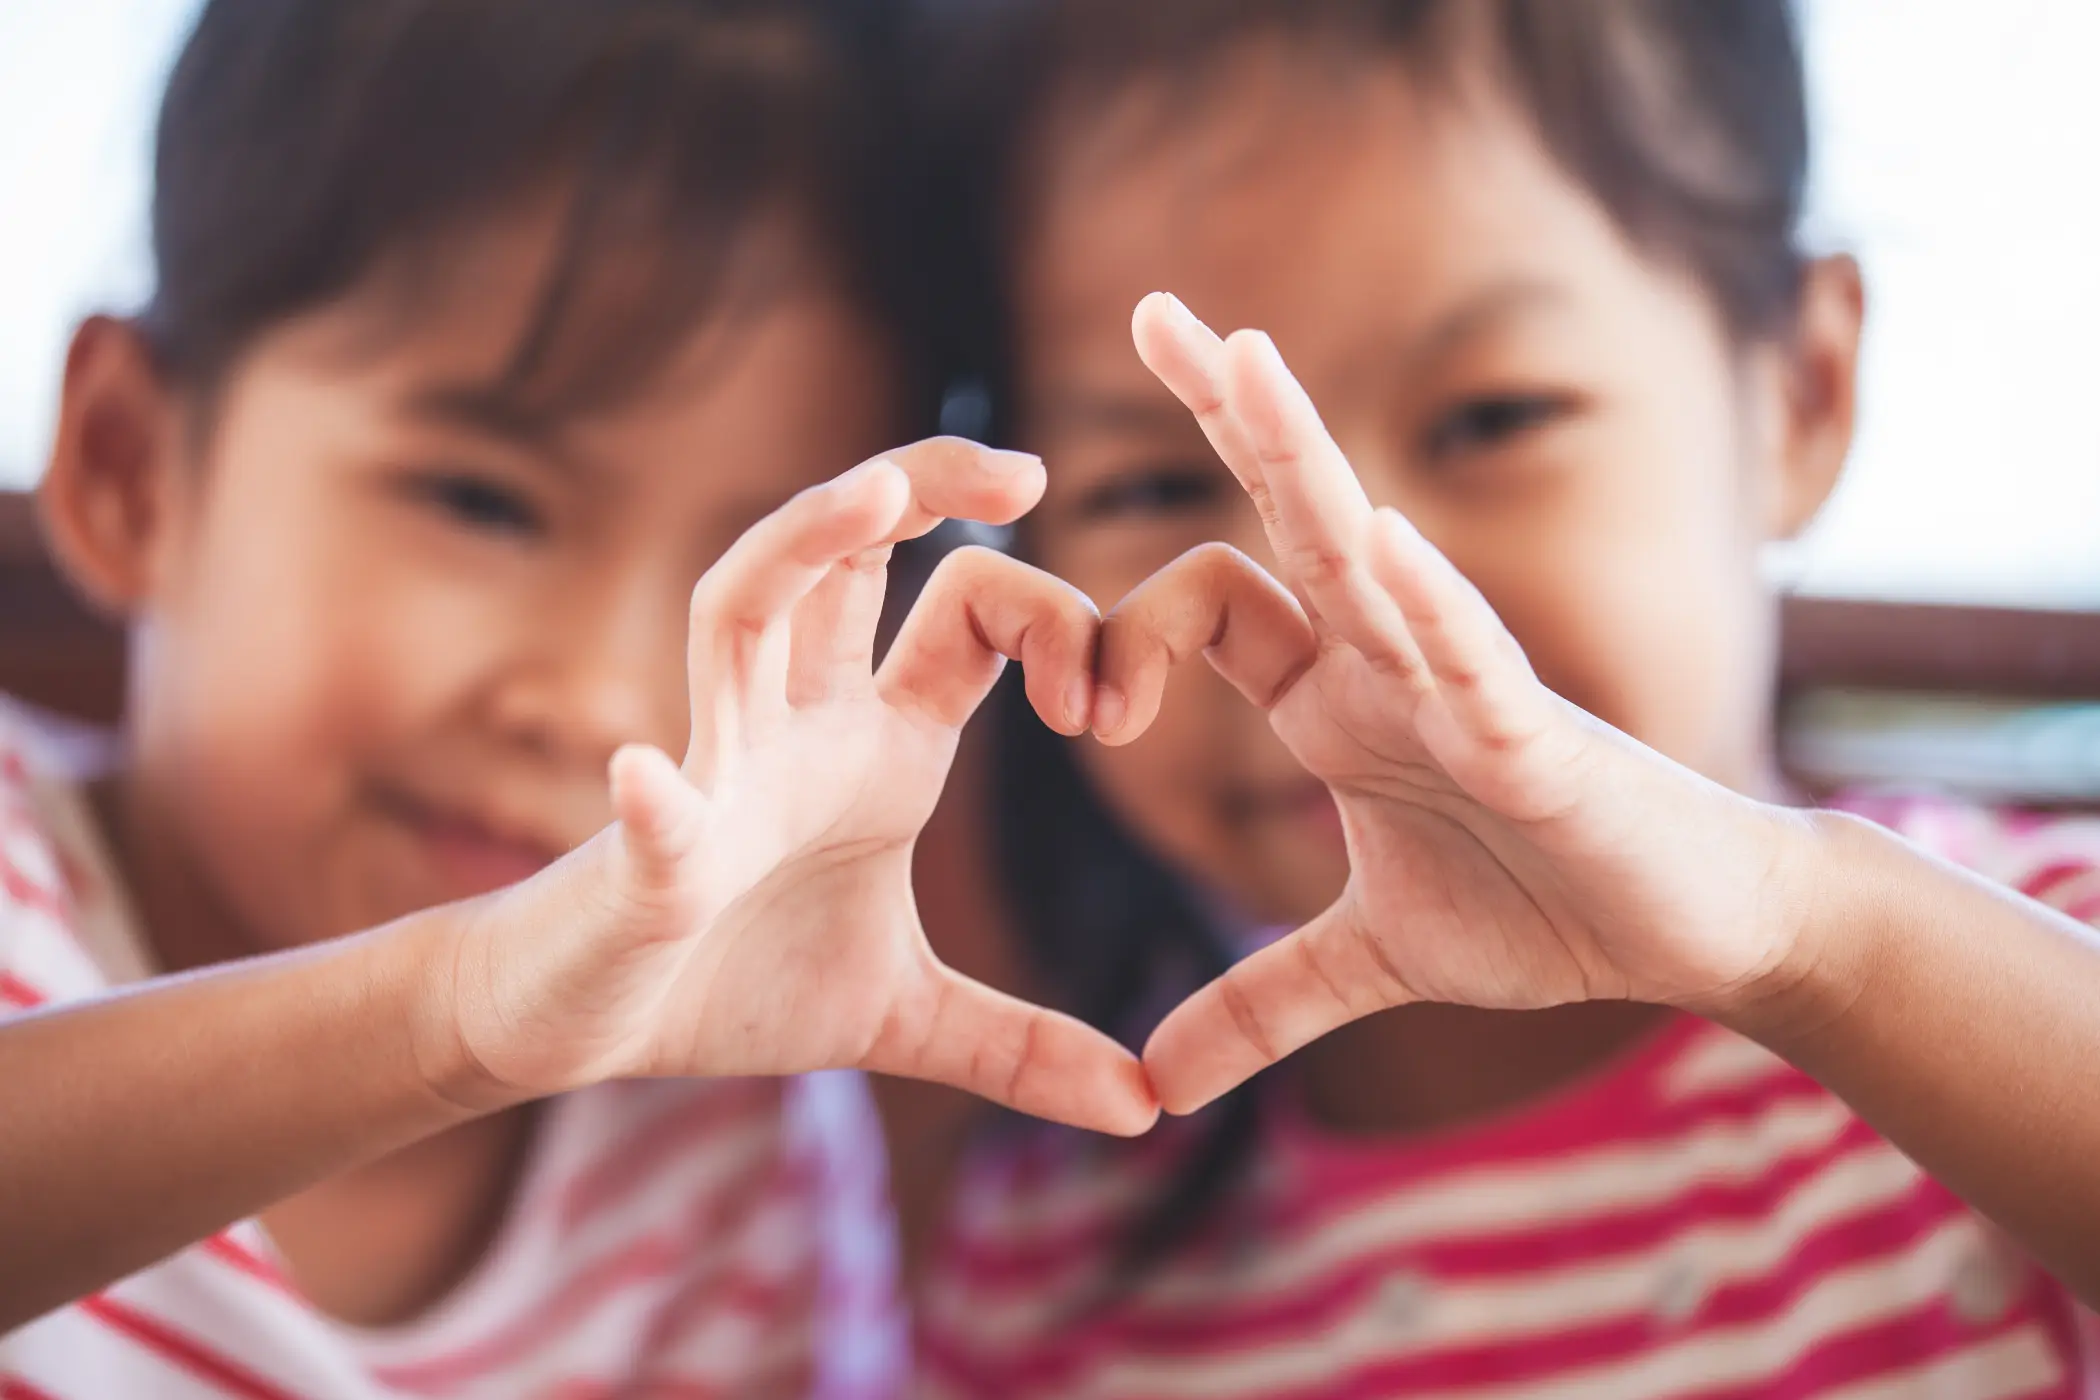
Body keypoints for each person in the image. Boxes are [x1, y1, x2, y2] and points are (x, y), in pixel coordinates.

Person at [905, 1, 2100, 1393]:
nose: (1339, 602)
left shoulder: (2035, 976)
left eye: (1491, 420)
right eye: (1156, 487)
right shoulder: (1054, 1274)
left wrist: (1807, 946)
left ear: (1800, 395)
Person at [0, 1, 1153, 1395]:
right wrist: (454, 1017)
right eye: (484, 503)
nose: (602, 700)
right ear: (132, 467)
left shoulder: (728, 1154)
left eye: (769, 574)